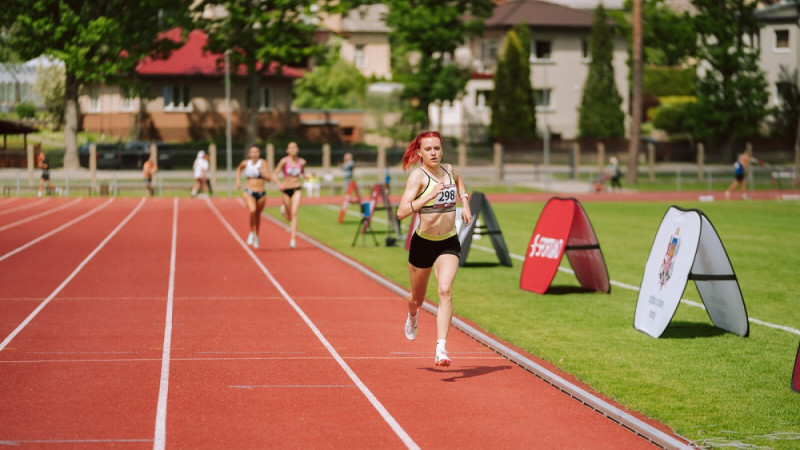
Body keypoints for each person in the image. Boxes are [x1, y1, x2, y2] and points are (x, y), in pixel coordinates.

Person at [396, 130, 472, 367]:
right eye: (428, 149)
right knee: (417, 299)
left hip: (448, 241)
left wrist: (465, 202)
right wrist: (430, 195)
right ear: (420, 153)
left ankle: (441, 349)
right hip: (423, 243)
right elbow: (401, 212)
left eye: (437, 148)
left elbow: (459, 181)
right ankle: (412, 315)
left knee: (445, 290)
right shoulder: (418, 177)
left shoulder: (449, 170)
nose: (433, 152)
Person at [236, 146, 271, 249]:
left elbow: (269, 178)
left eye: (256, 152)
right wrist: (238, 181)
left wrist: (262, 173)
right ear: (249, 154)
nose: (254, 154)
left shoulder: (263, 163)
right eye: (252, 152)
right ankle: (251, 231)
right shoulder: (245, 163)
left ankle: (257, 235)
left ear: (259, 153)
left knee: (258, 215)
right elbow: (238, 169)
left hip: (261, 193)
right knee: (252, 210)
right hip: (249, 191)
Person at [272, 142, 306, 249]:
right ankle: (284, 212)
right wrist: (279, 184)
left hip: (297, 188)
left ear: (298, 149)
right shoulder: (284, 161)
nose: (293, 149)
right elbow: (274, 174)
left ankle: (293, 239)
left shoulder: (302, 162)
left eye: (295, 147)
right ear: (287, 150)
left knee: (294, 212)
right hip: (286, 189)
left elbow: (303, 173)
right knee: (289, 216)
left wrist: (307, 176)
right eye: (291, 147)